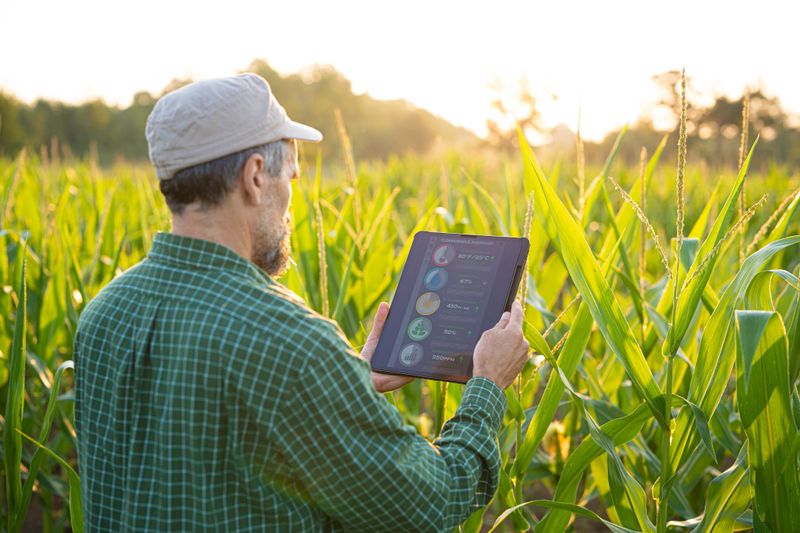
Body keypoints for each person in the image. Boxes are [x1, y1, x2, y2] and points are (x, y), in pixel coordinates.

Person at [74, 73, 530, 532]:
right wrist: (487, 385)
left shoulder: (105, 313)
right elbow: (429, 502)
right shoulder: (291, 343)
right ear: (254, 177)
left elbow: (188, 459)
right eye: (290, 175)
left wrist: (347, 383)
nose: (291, 198)